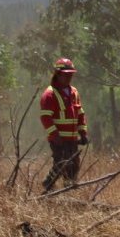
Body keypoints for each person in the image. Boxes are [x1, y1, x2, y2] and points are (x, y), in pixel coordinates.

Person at [40, 57, 89, 192]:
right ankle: (48, 185)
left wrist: (83, 133)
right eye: (66, 74)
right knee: (61, 163)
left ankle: (69, 190)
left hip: (72, 138)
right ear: (58, 74)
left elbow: (80, 113)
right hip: (58, 139)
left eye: (71, 74)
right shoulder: (49, 94)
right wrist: (55, 135)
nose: (69, 77)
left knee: (73, 165)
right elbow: (45, 117)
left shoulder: (74, 92)